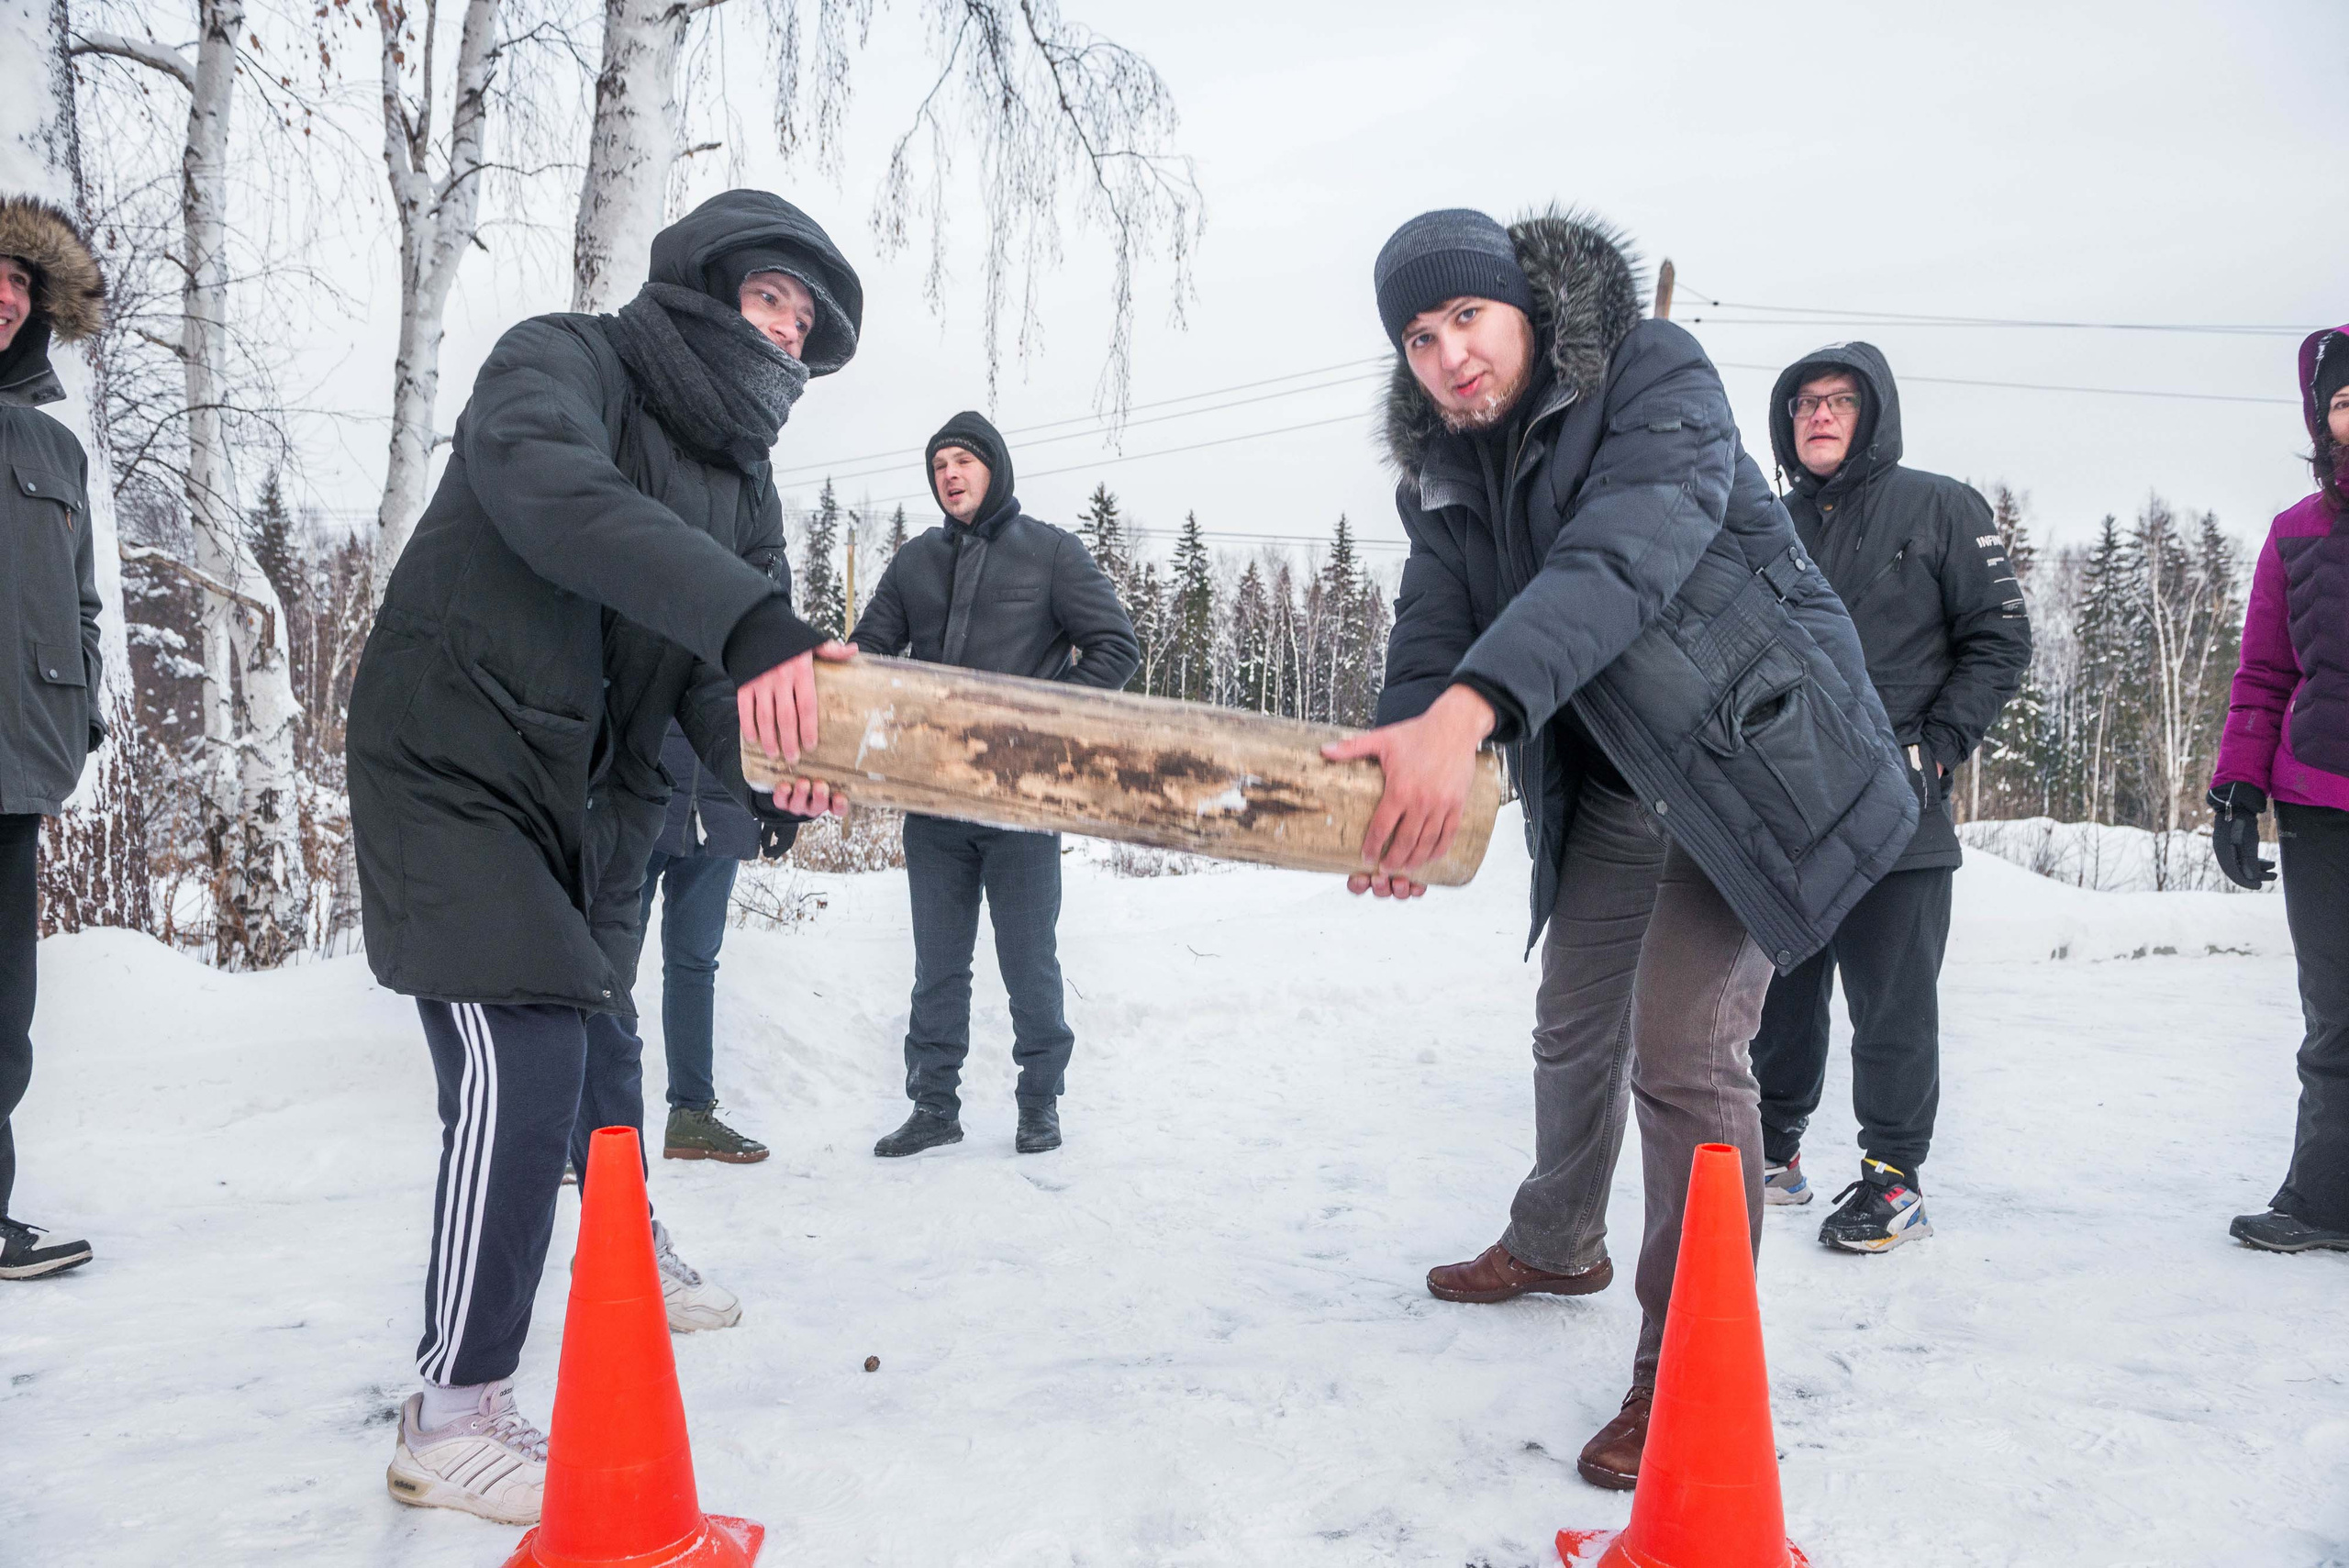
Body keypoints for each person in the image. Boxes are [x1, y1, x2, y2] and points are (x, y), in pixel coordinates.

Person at [1330, 207, 1913, 1490]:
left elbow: (1620, 559)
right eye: (1419, 338)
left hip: (1758, 757)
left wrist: (1473, 711)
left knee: (1687, 1042)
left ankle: (1690, 1360)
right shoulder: (1440, 469)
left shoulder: (1654, 373)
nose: (1450, 357)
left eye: (1468, 319)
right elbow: (1429, 635)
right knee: (1572, 1017)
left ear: (1523, 307)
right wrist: (1396, 772)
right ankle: (1556, 1240)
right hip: (1613, 776)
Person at [349, 189, 857, 1526]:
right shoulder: (566, 359)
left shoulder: (746, 480)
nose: (788, 337)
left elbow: (717, 672)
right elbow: (546, 489)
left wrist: (777, 763)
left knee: (592, 1049)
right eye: (772, 300)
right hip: (456, 759)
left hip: (598, 803)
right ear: (703, 282)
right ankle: (450, 1412)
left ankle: (627, 1247)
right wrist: (754, 624)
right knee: (519, 1054)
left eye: (806, 325)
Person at [1746, 344, 2032, 1251]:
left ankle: (1892, 1181)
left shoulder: (1940, 506)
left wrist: (1937, 750)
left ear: (1874, 414)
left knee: (1891, 1004)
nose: (1819, 415)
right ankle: (1774, 1150)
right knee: (1778, 994)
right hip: (1787, 806)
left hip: (1897, 805)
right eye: (1803, 404)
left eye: (1838, 400)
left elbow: (2000, 639)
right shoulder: (1767, 523)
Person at [847, 412, 1139, 1158]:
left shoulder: (1050, 553)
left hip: (1021, 800)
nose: (949, 473)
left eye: (963, 460)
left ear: (993, 467)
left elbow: (1116, 645)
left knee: (1028, 959)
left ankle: (1040, 1101)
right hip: (935, 800)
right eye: (938, 462)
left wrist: (1041, 721)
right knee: (936, 964)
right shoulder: (915, 561)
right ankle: (933, 1105)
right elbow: (869, 651)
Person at [2212, 321, 2349, 1254]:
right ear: (2322, 418)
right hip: (2317, 801)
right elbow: (2263, 672)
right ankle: (2322, 1198)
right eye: (2345, 401)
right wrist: (2234, 789)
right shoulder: (2294, 535)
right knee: (2332, 1010)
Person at [0, 196, 106, 1283]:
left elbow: (81, 605)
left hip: (14, 771)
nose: (5, 296)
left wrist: (78, 723)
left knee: (3, 1017)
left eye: (22, 284)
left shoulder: (52, 448)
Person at [639, 719, 779, 1163]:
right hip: (641, 798)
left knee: (695, 964)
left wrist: (779, 803)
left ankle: (691, 1117)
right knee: (605, 964)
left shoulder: (757, 644)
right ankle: (575, 1128)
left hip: (725, 807)